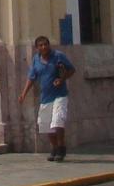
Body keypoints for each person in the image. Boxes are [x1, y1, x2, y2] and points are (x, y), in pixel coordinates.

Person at [19, 33, 76, 161]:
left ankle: (61, 148)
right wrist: (23, 94)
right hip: (45, 97)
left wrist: (62, 79)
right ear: (37, 48)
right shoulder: (36, 60)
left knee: (57, 121)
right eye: (41, 45)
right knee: (45, 124)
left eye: (46, 44)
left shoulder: (58, 56)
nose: (44, 47)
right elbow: (31, 77)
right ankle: (54, 147)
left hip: (60, 95)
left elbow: (71, 69)